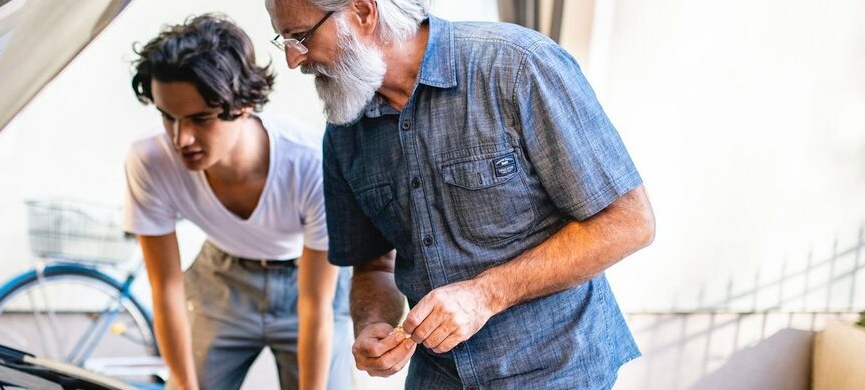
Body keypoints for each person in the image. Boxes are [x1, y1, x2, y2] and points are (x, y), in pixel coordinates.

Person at [264, 0, 657, 388]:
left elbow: (629, 222)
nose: (294, 61)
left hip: (558, 369)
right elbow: (373, 267)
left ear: (364, 12)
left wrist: (485, 294)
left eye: (301, 37)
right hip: (438, 375)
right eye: (286, 42)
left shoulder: (519, 65)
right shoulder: (344, 132)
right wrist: (372, 324)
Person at [123, 14, 353, 390]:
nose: (181, 139)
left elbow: (315, 305)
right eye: (169, 117)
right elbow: (166, 287)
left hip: (307, 283)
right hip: (222, 277)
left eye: (200, 119)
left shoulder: (311, 161)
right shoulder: (150, 161)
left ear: (244, 103)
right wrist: (182, 381)